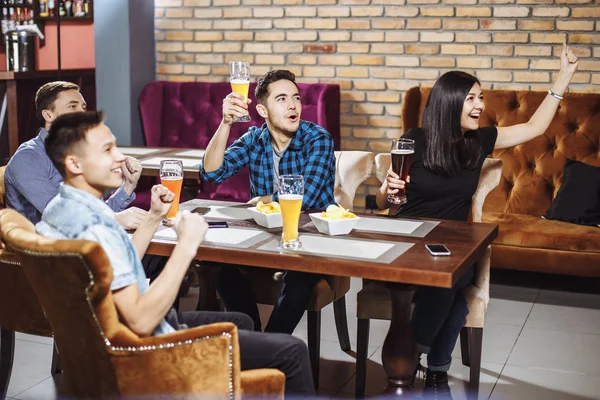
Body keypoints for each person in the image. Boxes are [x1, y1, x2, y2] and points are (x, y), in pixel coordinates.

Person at [36, 111, 315, 396]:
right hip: (141, 352)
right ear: (74, 163)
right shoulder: (95, 226)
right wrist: (186, 247)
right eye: (108, 149)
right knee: (292, 351)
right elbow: (141, 320)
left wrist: (153, 218)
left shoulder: (60, 210)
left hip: (99, 342)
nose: (120, 156)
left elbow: (112, 264)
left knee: (240, 321)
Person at [376, 43, 579, 399]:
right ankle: (436, 371)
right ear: (450, 102)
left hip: (455, 240)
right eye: (471, 99)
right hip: (409, 236)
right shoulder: (415, 142)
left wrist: (565, 76)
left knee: (455, 276)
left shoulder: (480, 141)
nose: (480, 105)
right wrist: (388, 188)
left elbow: (534, 126)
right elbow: (384, 199)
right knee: (456, 299)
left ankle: (411, 358)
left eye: (480, 97)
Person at [200, 70, 336, 334]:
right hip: (264, 240)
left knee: (298, 276)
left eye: (296, 98)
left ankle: (272, 344)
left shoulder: (318, 138)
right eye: (282, 99)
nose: (293, 105)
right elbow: (211, 172)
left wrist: (263, 200)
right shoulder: (254, 138)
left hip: (308, 239)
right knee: (223, 271)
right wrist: (226, 123)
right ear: (262, 110)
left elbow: (304, 195)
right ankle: (252, 337)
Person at [3, 81, 171, 283]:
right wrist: (115, 219)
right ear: (48, 115)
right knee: (162, 254)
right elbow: (60, 215)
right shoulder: (28, 158)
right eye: (72, 107)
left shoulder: (73, 154)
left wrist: (127, 186)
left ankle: (156, 314)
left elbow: (90, 209)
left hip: (83, 245)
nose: (82, 113)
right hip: (51, 261)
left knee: (166, 254)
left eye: (83, 107)